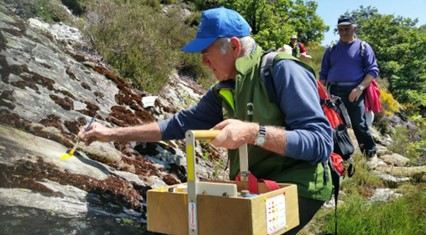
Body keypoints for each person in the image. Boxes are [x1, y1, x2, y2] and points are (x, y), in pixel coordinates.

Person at [81, 7, 333, 234]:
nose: (202, 61)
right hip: (256, 188)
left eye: (206, 51)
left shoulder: (282, 70)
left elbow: (320, 143)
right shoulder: (224, 88)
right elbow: (178, 125)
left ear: (234, 46)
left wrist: (254, 132)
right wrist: (111, 133)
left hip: (300, 187)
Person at [319, 15, 379, 168]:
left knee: (359, 124)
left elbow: (372, 71)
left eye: (347, 28)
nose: (343, 32)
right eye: (340, 29)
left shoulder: (363, 47)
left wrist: (359, 89)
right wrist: (320, 93)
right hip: (333, 91)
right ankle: (341, 156)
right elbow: (323, 73)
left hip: (355, 90)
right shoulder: (331, 49)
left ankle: (370, 154)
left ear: (355, 28)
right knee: (335, 125)